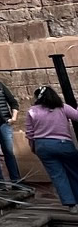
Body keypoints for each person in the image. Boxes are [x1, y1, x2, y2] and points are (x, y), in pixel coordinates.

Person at [26, 86, 78, 214]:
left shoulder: (32, 111)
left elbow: (30, 133)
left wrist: (33, 147)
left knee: (57, 175)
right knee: (74, 172)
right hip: (63, 144)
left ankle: (71, 204)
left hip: (42, 145)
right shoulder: (62, 107)